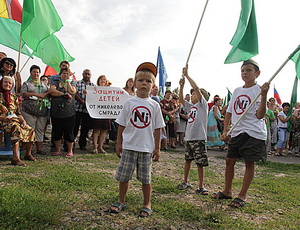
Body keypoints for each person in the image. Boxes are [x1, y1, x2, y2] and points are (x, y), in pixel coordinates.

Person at [212, 59, 269, 208]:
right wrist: (225, 130)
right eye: (243, 70)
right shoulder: (237, 90)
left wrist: (263, 95)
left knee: (249, 163)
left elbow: (260, 115)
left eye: (249, 70)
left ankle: (242, 195)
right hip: (237, 132)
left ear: (257, 73)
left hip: (253, 132)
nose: (245, 73)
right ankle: (227, 190)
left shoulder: (259, 90)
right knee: (229, 161)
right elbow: (229, 112)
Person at [110, 62, 165, 217]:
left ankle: (147, 203)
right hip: (129, 146)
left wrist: (158, 148)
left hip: (146, 148)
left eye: (148, 81)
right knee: (124, 176)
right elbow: (121, 124)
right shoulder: (129, 102)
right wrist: (119, 143)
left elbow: (157, 128)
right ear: (134, 84)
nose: (144, 84)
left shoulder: (155, 105)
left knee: (146, 179)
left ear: (153, 85)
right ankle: (121, 200)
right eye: (141, 80)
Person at [177, 64, 209, 195]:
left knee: (200, 163)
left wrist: (187, 75)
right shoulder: (192, 107)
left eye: (194, 94)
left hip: (199, 138)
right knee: (188, 161)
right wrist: (181, 86)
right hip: (189, 138)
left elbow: (196, 87)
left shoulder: (203, 105)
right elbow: (180, 99)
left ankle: (201, 186)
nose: (192, 94)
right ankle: (185, 181)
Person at [0, 76, 35, 166]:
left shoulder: (14, 97)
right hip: (2, 121)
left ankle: (28, 154)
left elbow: (18, 112)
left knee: (30, 129)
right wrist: (2, 118)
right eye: (5, 82)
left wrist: (23, 121)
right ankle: (15, 158)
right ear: (1, 83)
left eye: (10, 83)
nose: (7, 84)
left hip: (13, 120)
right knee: (15, 127)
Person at [20, 65, 50, 155]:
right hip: (28, 111)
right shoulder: (27, 83)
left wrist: (46, 94)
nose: (36, 74)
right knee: (30, 130)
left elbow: (49, 93)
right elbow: (23, 93)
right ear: (30, 73)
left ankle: (39, 149)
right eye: (34, 72)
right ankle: (29, 150)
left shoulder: (44, 84)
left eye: (37, 72)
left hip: (42, 111)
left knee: (40, 130)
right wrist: (37, 95)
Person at [49, 67, 76, 157]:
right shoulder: (55, 83)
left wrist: (67, 81)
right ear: (60, 75)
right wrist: (63, 94)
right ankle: (57, 150)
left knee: (69, 132)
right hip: (56, 112)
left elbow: (71, 91)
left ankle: (70, 150)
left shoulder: (73, 83)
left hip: (69, 112)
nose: (65, 75)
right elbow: (52, 91)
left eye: (67, 73)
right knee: (57, 131)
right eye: (63, 73)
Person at [74, 69, 94, 150]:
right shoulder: (77, 83)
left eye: (88, 74)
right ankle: (71, 144)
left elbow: (94, 97)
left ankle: (82, 144)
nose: (87, 75)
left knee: (85, 129)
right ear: (82, 74)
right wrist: (82, 101)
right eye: (85, 74)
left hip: (87, 111)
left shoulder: (93, 86)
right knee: (75, 127)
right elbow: (74, 94)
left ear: (90, 75)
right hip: (77, 109)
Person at [91, 75, 111, 154]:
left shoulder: (110, 90)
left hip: (106, 112)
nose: (103, 81)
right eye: (101, 79)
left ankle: (100, 147)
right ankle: (95, 147)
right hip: (97, 112)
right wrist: (87, 93)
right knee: (96, 130)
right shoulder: (94, 89)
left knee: (104, 131)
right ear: (98, 81)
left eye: (104, 79)